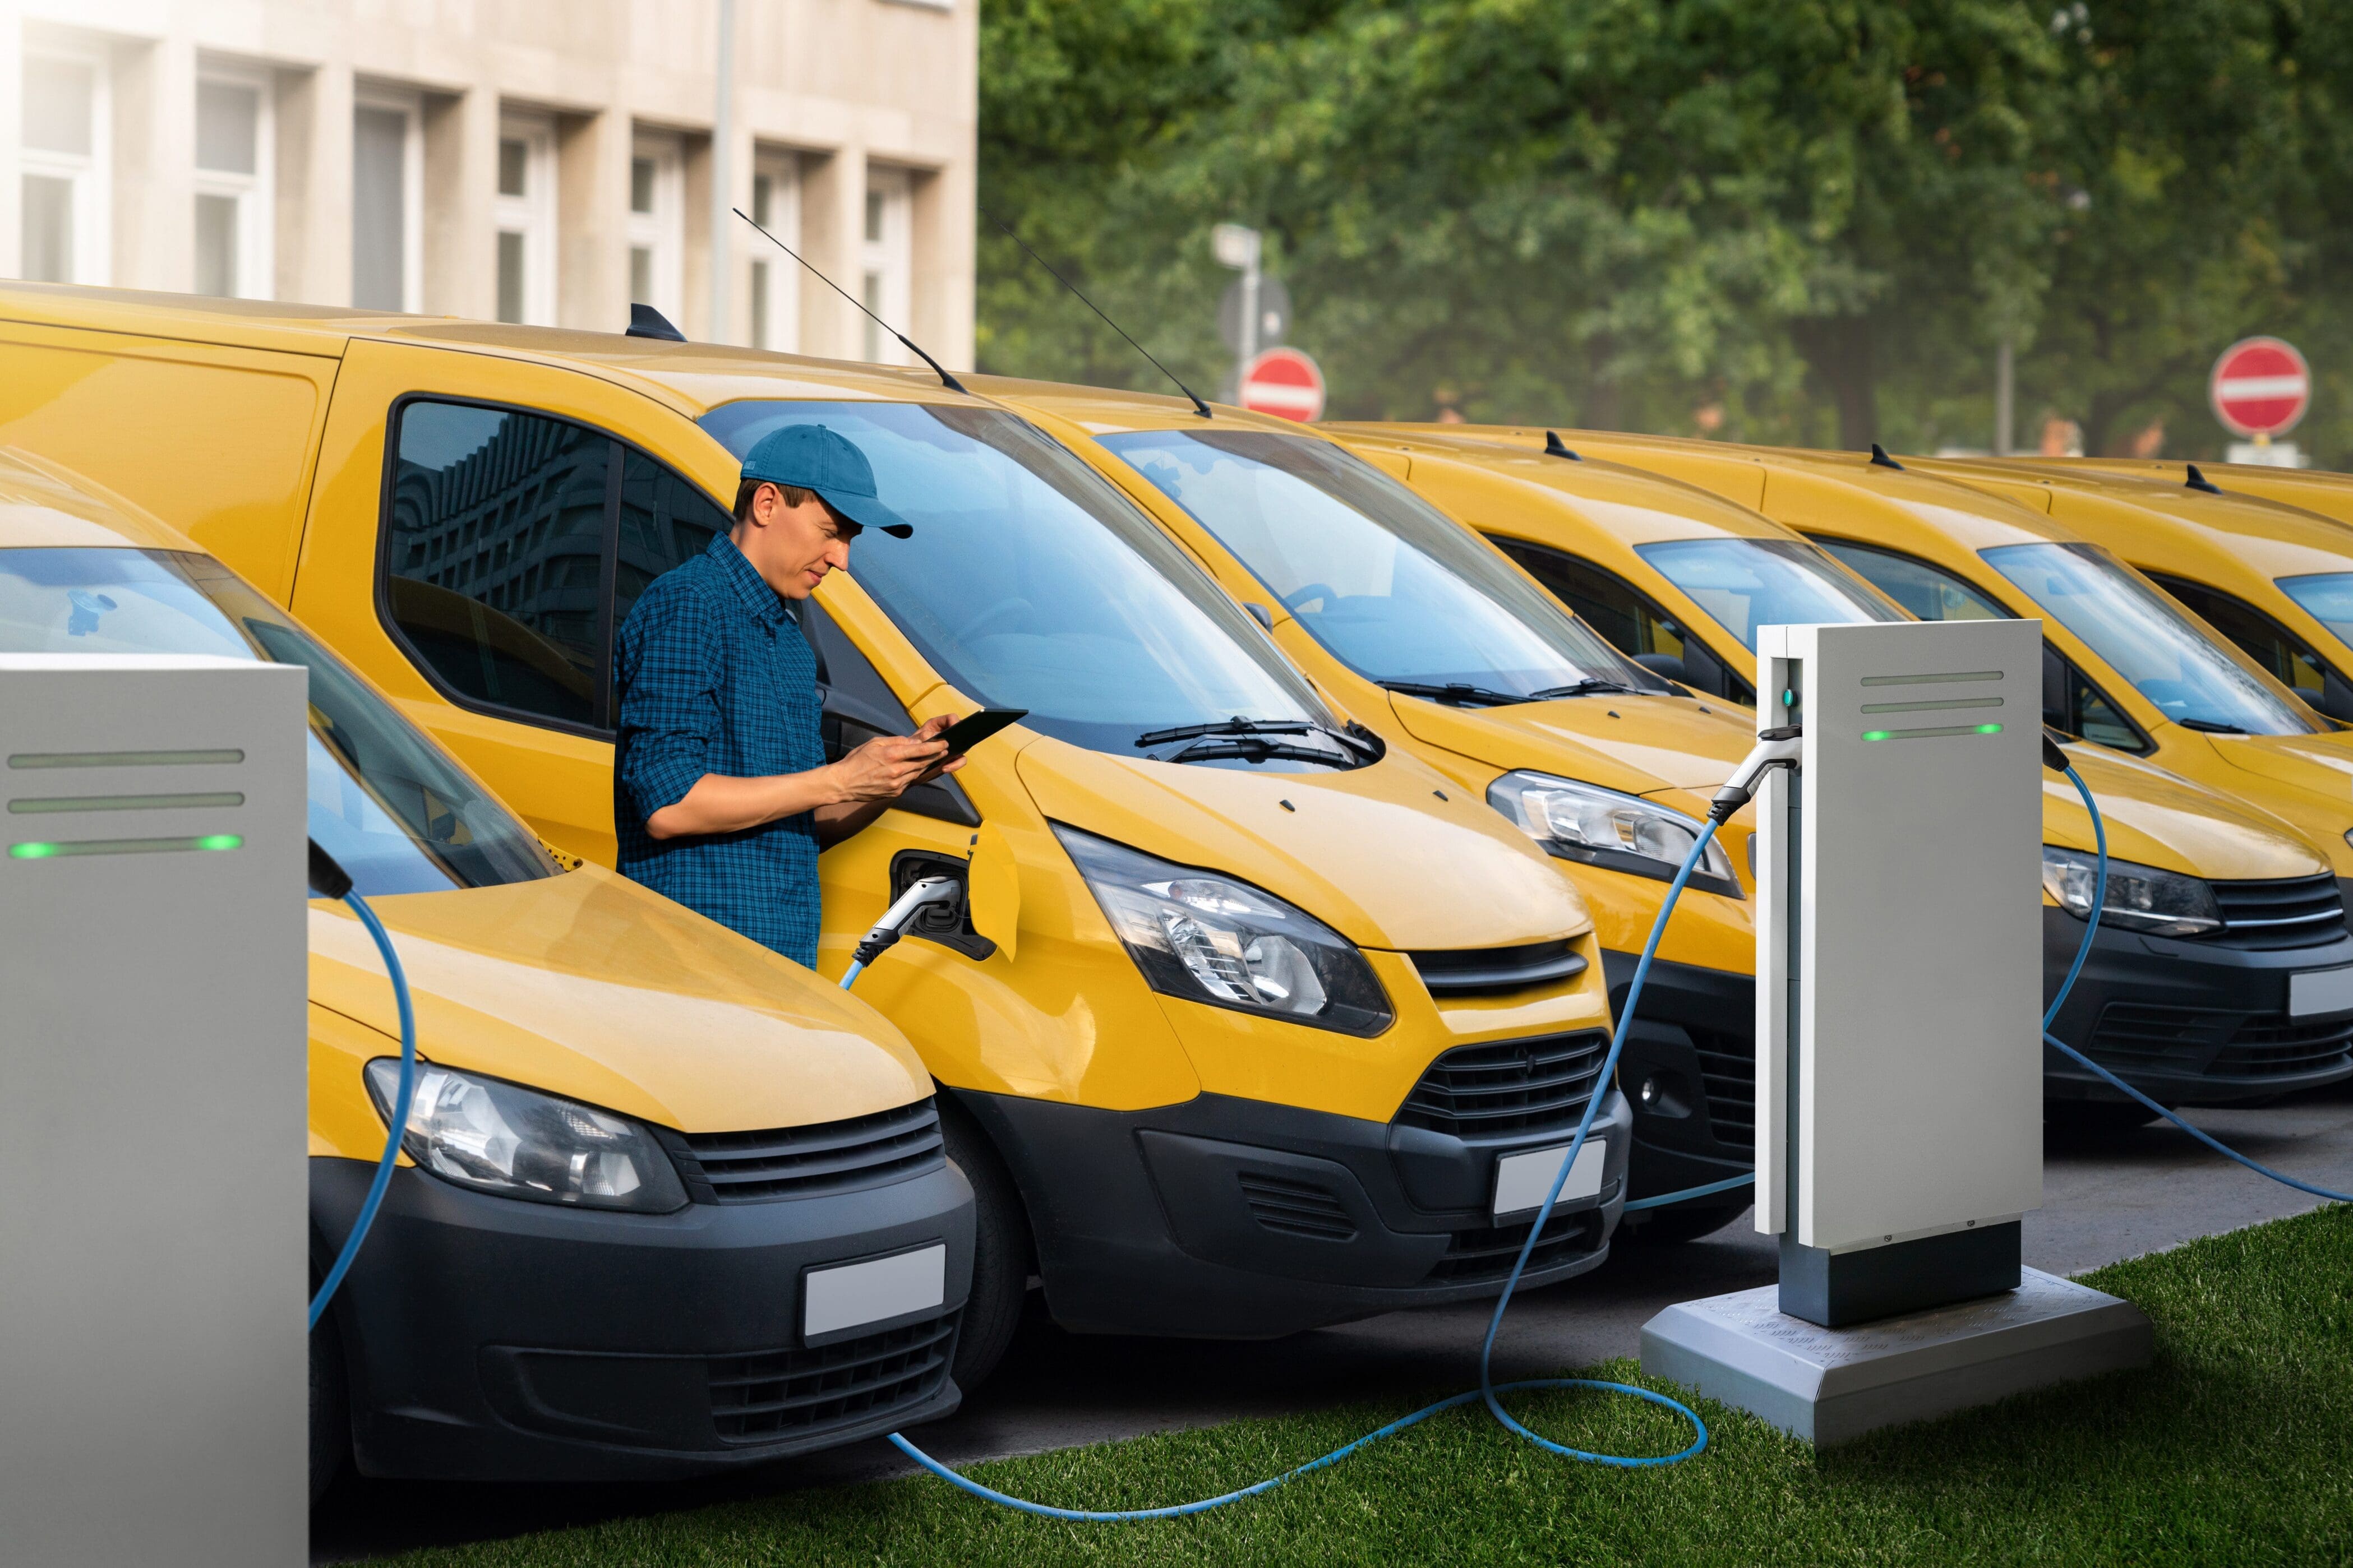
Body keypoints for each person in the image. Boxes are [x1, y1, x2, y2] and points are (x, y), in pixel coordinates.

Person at [612, 423, 961, 967]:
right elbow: (667, 803)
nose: (841, 558)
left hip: (777, 970)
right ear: (768, 504)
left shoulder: (789, 642)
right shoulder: (687, 605)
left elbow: (800, 823)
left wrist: (891, 779)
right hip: (688, 969)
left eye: (848, 540)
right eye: (831, 532)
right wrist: (839, 777)